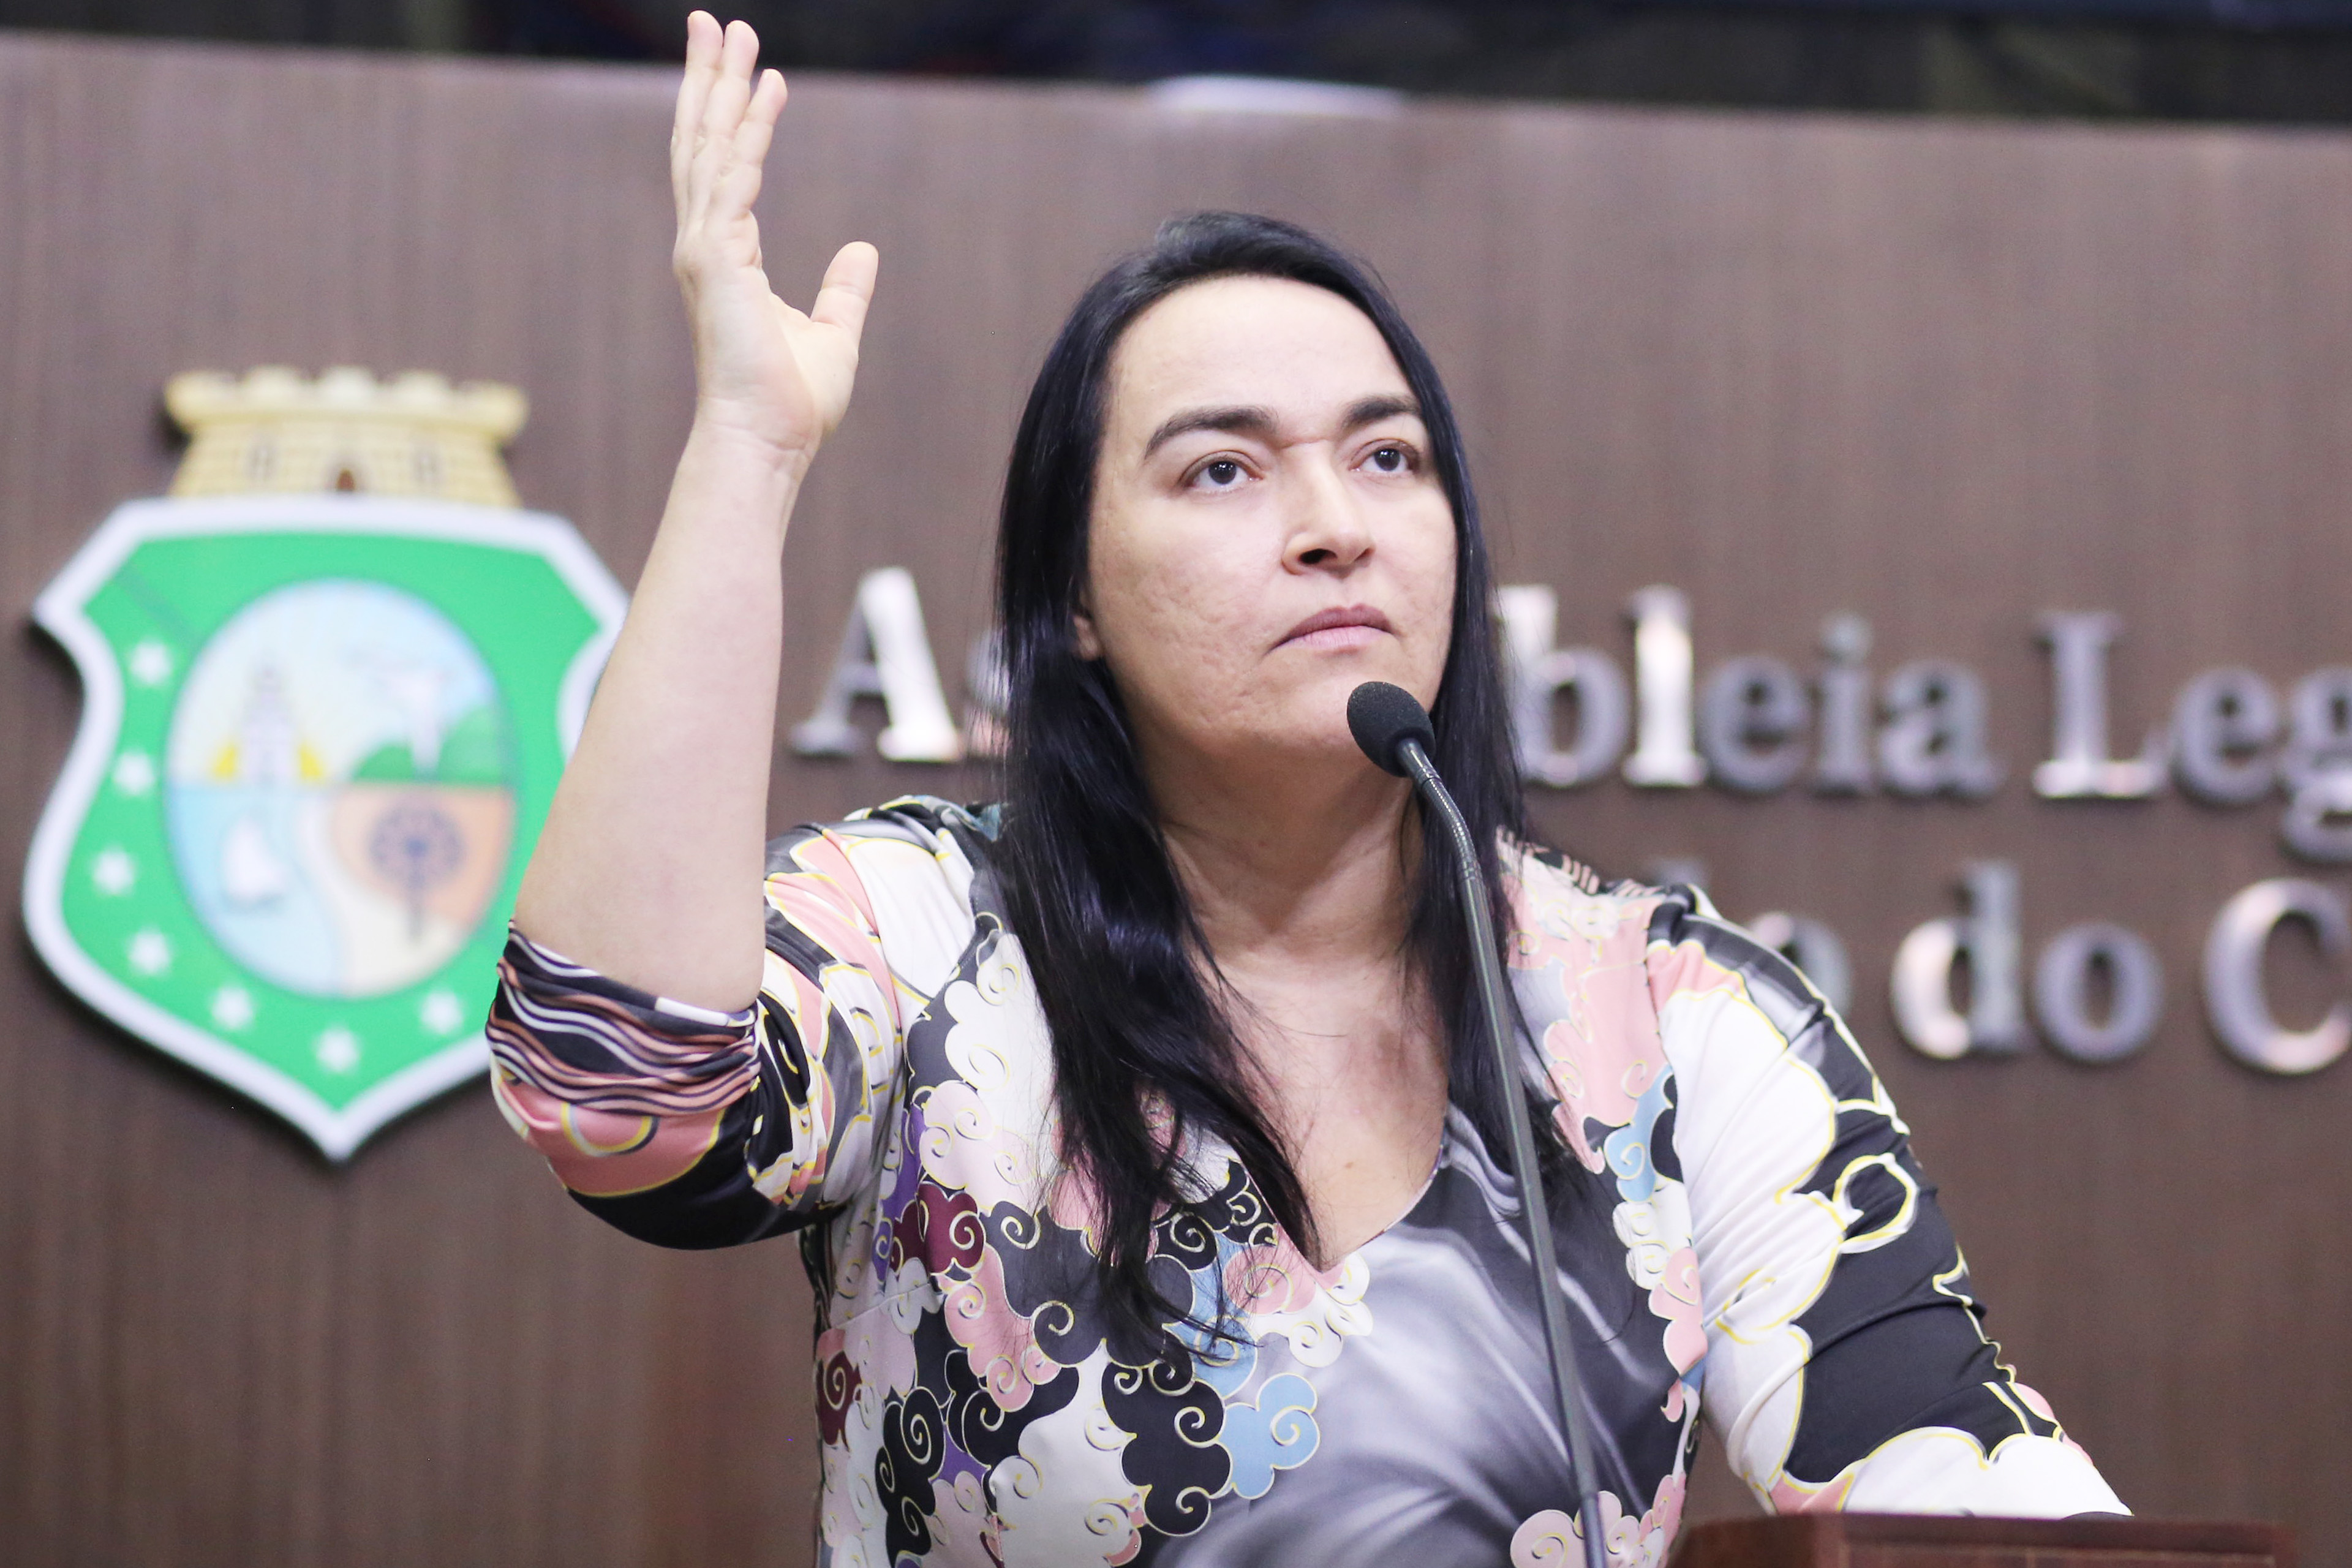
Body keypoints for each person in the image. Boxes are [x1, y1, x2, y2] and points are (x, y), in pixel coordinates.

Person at [490, 13, 2127, 1565]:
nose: (1336, 526)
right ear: (1074, 597)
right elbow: (615, 1094)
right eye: (1223, 468)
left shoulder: (1674, 1021)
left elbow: (1962, 1497)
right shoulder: (932, 940)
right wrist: (750, 449)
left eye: (1388, 457)